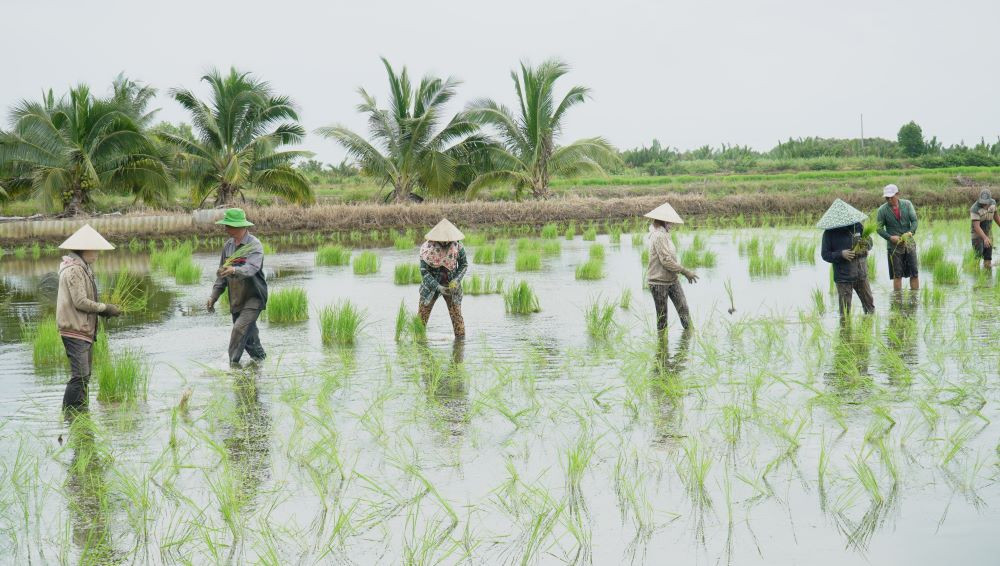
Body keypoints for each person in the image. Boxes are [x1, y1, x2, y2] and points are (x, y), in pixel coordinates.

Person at [56, 224, 122, 410]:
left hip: (82, 329)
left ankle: (80, 413)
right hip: (74, 328)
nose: (98, 254)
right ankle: (71, 414)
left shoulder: (82, 267)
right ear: (85, 249)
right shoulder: (74, 270)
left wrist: (103, 310)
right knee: (80, 376)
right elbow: (80, 301)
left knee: (85, 375)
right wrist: (104, 308)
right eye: (96, 250)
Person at [206, 208, 268, 366]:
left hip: (254, 298)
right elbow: (221, 275)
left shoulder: (254, 245)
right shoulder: (228, 246)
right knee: (250, 342)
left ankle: (232, 368)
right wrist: (214, 296)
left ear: (239, 226)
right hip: (236, 299)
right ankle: (262, 366)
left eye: (228, 225)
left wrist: (234, 269)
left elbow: (251, 268)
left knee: (239, 330)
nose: (225, 228)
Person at [644, 202, 698, 334]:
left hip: (672, 280)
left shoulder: (665, 235)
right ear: (663, 222)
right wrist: (685, 272)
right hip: (658, 283)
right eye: (670, 222)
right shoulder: (658, 235)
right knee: (662, 319)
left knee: (683, 310)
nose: (672, 225)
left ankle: (689, 338)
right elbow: (666, 261)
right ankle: (662, 348)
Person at [818, 199, 875, 317]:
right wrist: (841, 254)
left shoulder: (857, 226)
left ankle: (868, 331)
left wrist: (865, 245)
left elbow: (870, 243)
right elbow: (825, 254)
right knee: (845, 313)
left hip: (861, 275)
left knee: (870, 309)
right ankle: (845, 333)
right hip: (843, 277)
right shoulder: (829, 233)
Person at [417, 219, 468, 339]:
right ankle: (418, 342)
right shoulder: (427, 249)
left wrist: (456, 280)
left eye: (448, 240)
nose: (446, 242)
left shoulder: (458, 247)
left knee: (457, 317)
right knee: (421, 318)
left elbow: (464, 265)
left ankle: (460, 347)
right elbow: (424, 272)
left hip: (451, 286)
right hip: (430, 287)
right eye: (443, 240)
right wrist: (438, 287)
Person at [876, 184, 919, 291]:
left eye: (891, 197)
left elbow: (914, 221)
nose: (889, 199)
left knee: (914, 273)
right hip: (894, 247)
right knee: (897, 275)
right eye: (887, 198)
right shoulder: (882, 210)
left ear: (897, 194)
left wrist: (910, 232)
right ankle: (898, 302)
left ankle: (914, 299)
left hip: (909, 243)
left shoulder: (907, 204)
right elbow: (879, 229)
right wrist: (890, 237)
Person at [970, 189, 1000, 268]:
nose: (984, 204)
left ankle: (987, 275)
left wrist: (987, 237)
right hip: (977, 235)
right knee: (977, 258)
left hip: (988, 234)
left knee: (988, 258)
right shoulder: (974, 209)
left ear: (990, 200)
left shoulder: (993, 203)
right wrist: (985, 238)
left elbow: (996, 217)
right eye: (982, 201)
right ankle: (975, 275)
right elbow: (976, 227)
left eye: (986, 202)